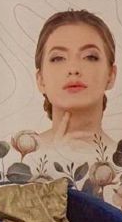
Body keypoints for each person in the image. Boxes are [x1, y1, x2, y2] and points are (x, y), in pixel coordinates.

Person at [32, 9, 117, 158]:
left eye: (90, 57)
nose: (73, 69)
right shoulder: (18, 160)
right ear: (41, 80)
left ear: (111, 75)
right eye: (58, 58)